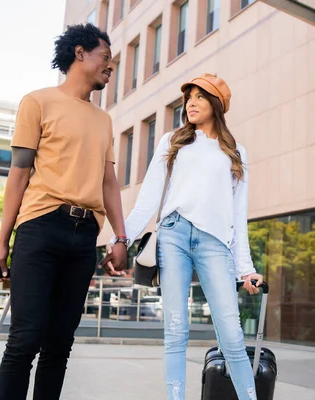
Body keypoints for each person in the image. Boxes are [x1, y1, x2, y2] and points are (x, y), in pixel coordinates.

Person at [0, 23, 129, 400]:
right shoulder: (38, 102)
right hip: (40, 228)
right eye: (105, 58)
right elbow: (18, 174)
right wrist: (2, 240)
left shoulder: (104, 120)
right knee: (25, 339)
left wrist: (120, 237)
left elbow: (109, 182)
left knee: (59, 344)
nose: (110, 67)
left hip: (84, 237)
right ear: (79, 53)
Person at [104, 73, 264, 400]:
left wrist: (245, 268)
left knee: (232, 335)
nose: (191, 103)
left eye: (200, 97)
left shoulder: (235, 152)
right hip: (173, 236)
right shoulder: (172, 142)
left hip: (214, 243)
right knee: (176, 332)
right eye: (188, 97)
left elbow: (238, 215)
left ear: (217, 105)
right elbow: (148, 197)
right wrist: (122, 238)